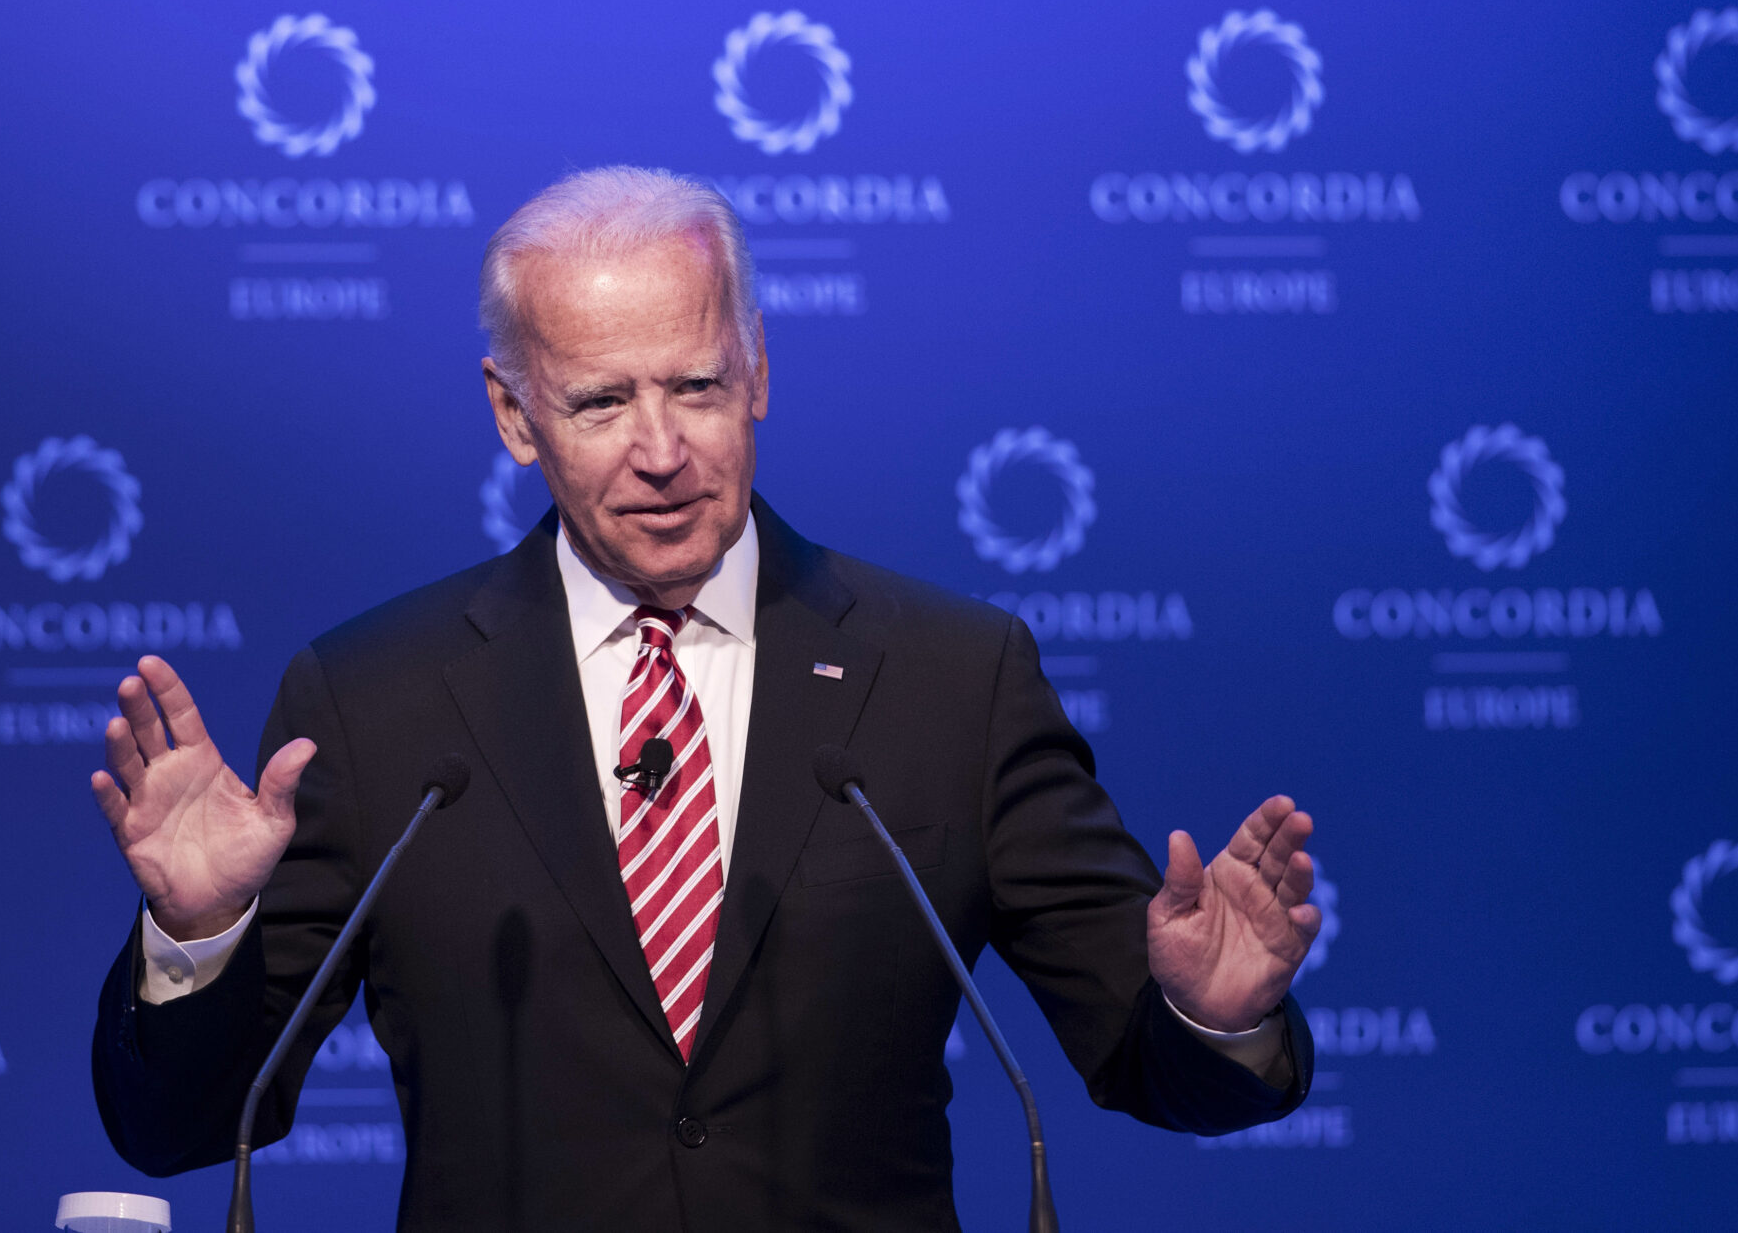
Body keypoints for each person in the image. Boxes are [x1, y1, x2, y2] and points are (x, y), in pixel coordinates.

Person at [89, 166, 1321, 1231]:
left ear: (759, 372)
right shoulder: (378, 700)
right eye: (601, 402)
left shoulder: (951, 676)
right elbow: (182, 1127)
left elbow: (1146, 1062)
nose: (662, 452)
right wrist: (200, 937)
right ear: (515, 415)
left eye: (695, 386)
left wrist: (1216, 1017)